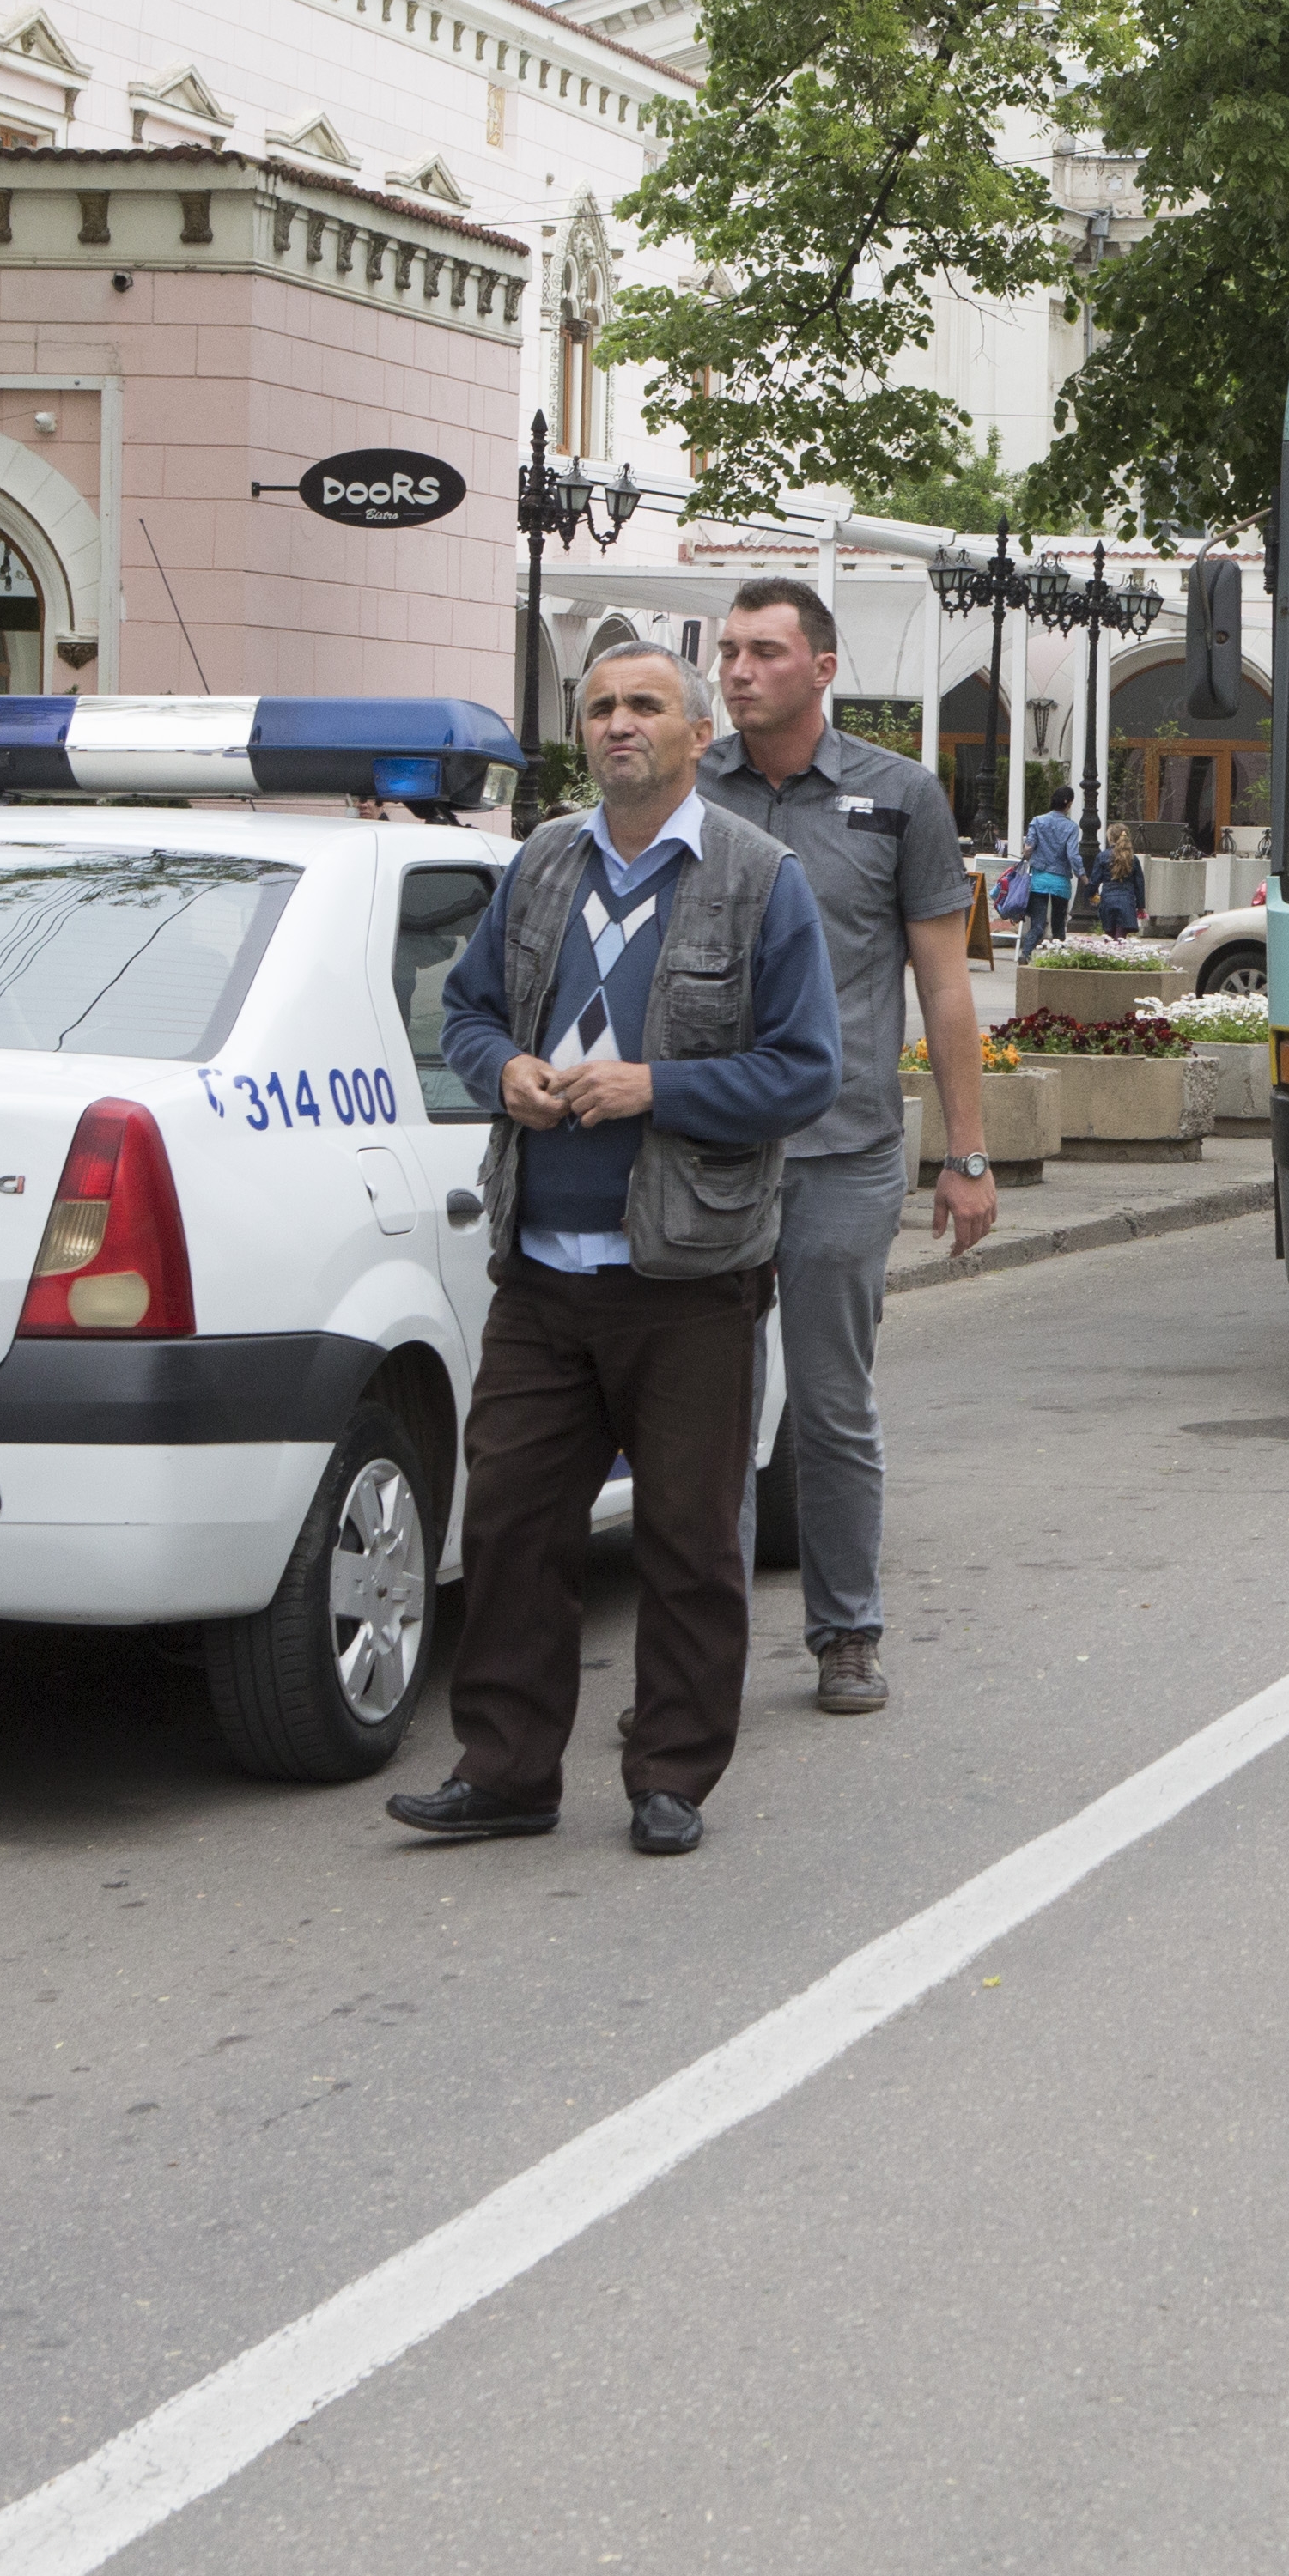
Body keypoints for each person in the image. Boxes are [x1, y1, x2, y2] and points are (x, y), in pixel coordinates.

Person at [385, 647, 840, 1859]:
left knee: (689, 1542)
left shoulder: (760, 879)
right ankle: (507, 1771)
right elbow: (470, 1013)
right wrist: (505, 1072)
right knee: (513, 1529)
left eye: (645, 706)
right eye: (599, 708)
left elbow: (807, 1071)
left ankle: (672, 1774)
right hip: (541, 1269)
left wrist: (660, 1086)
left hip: (686, 1277)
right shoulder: (542, 863)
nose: (618, 725)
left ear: (699, 735)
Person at [698, 576, 1002, 1718]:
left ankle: (847, 1632)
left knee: (829, 1402)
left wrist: (965, 1157)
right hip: (712, 1152)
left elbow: (943, 986)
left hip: (843, 1152)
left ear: (821, 669)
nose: (737, 670)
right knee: (711, 1411)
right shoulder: (691, 788)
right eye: (729, 650)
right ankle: (702, 1658)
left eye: (764, 651)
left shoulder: (898, 796)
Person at [1017, 796, 1079, 951]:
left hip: (1039, 880)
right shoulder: (1071, 827)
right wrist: (1082, 875)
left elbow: (1029, 848)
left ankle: (1025, 954)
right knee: (1058, 926)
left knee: (1038, 925)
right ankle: (1058, 959)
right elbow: (1072, 855)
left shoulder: (1037, 821)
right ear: (1069, 804)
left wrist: (1027, 856)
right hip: (1060, 882)